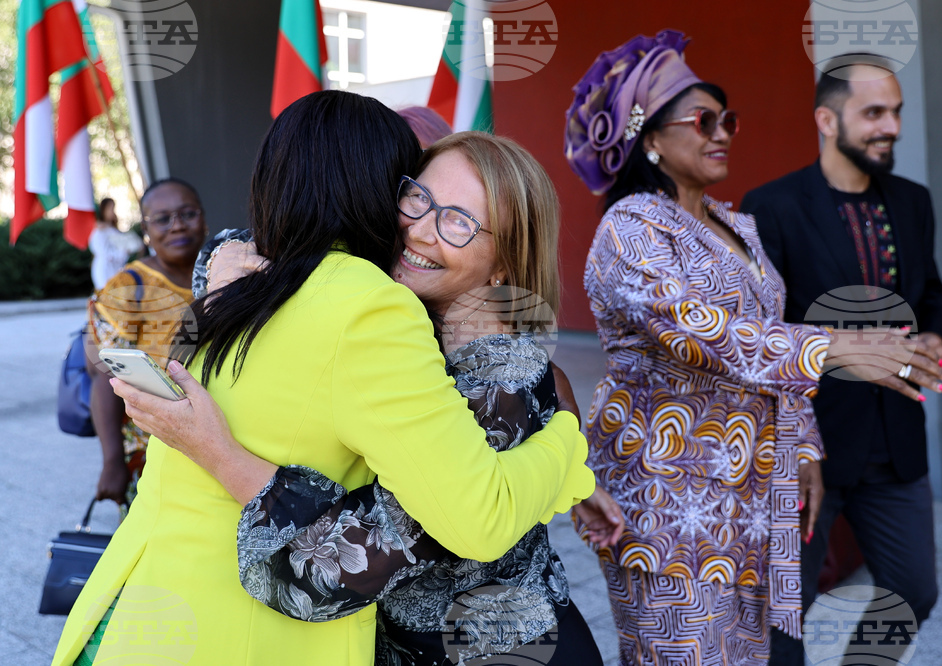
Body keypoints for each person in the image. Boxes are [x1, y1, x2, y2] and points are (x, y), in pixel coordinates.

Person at [52, 91, 592, 666]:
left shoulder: (471, 360)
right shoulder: (302, 289)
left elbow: (395, 544)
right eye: (416, 197)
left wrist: (566, 444)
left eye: (459, 221)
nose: (419, 230)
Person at [563, 31, 942, 664]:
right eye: (703, 121)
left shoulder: (733, 224)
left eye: (729, 120)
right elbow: (698, 330)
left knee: (751, 654)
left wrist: (806, 446)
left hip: (751, 495)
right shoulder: (630, 228)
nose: (723, 134)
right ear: (650, 139)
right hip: (671, 499)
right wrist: (834, 346)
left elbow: (769, 345)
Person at [741, 55, 942, 664]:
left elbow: (932, 293)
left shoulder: (913, 201)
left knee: (914, 592)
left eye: (897, 112)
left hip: (896, 441)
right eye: (874, 112)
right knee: (787, 614)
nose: (892, 127)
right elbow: (762, 331)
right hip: (808, 443)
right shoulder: (772, 206)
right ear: (827, 120)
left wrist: (934, 337)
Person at [85, 181, 206, 509]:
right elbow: (104, 376)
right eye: (162, 219)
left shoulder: (227, 275)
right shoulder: (127, 287)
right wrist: (112, 461)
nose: (177, 225)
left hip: (224, 444)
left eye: (187, 214)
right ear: (146, 230)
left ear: (204, 219)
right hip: (154, 451)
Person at [87, 197, 145, 291]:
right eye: (110, 208)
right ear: (104, 210)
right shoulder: (99, 229)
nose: (113, 212)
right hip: (105, 269)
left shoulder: (113, 228)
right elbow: (102, 250)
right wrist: (122, 252)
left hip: (116, 268)